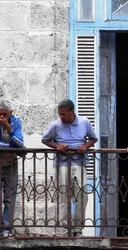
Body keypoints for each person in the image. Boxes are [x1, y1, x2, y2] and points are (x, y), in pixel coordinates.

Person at [41, 99, 98, 237]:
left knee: (81, 194)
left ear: (72, 112)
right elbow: (45, 139)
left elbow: (93, 138)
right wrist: (57, 146)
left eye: (64, 114)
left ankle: (78, 229)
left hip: (79, 162)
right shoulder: (55, 125)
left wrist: (85, 146)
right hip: (62, 163)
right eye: (59, 114)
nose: (61, 116)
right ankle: (65, 229)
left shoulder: (84, 122)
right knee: (63, 194)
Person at [0, 100, 25, 237]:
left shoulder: (16, 122)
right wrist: (13, 147)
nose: (1, 117)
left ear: (10, 113)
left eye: (4, 114)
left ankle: (7, 228)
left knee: (10, 197)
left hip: (11, 163)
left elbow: (21, 142)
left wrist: (8, 128)